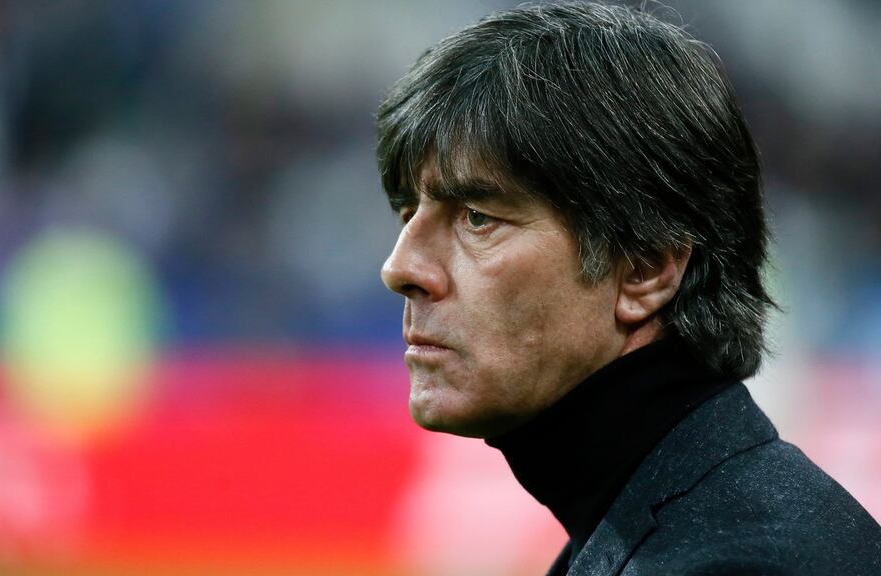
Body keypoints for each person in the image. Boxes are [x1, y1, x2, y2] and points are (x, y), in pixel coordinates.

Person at [375, 2, 881, 575]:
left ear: (645, 269)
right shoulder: (659, 522)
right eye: (408, 213)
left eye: (477, 217)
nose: (400, 268)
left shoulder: (733, 562)